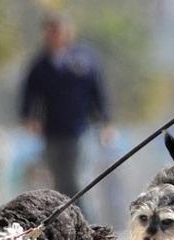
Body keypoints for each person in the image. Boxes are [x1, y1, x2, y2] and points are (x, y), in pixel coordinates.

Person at [20, 14, 115, 200]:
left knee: (78, 180)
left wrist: (106, 122)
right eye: (50, 31)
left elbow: (98, 92)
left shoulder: (84, 59)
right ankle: (66, 223)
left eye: (57, 31)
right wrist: (29, 117)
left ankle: (87, 225)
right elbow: (29, 93)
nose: (54, 36)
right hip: (52, 130)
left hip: (79, 129)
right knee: (59, 181)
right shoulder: (40, 64)